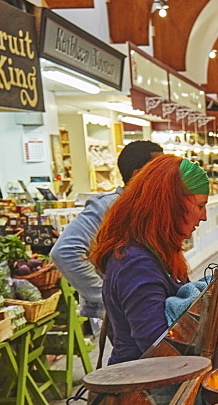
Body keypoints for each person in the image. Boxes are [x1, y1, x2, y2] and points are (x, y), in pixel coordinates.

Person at [89, 156, 209, 365]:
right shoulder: (136, 264)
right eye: (200, 205)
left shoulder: (157, 251)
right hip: (142, 389)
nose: (204, 216)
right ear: (170, 204)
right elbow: (159, 349)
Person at [51, 140, 163, 318]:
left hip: (149, 307)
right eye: (159, 170)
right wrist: (106, 296)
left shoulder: (150, 208)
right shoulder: (109, 206)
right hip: (126, 315)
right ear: (138, 174)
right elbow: (65, 252)